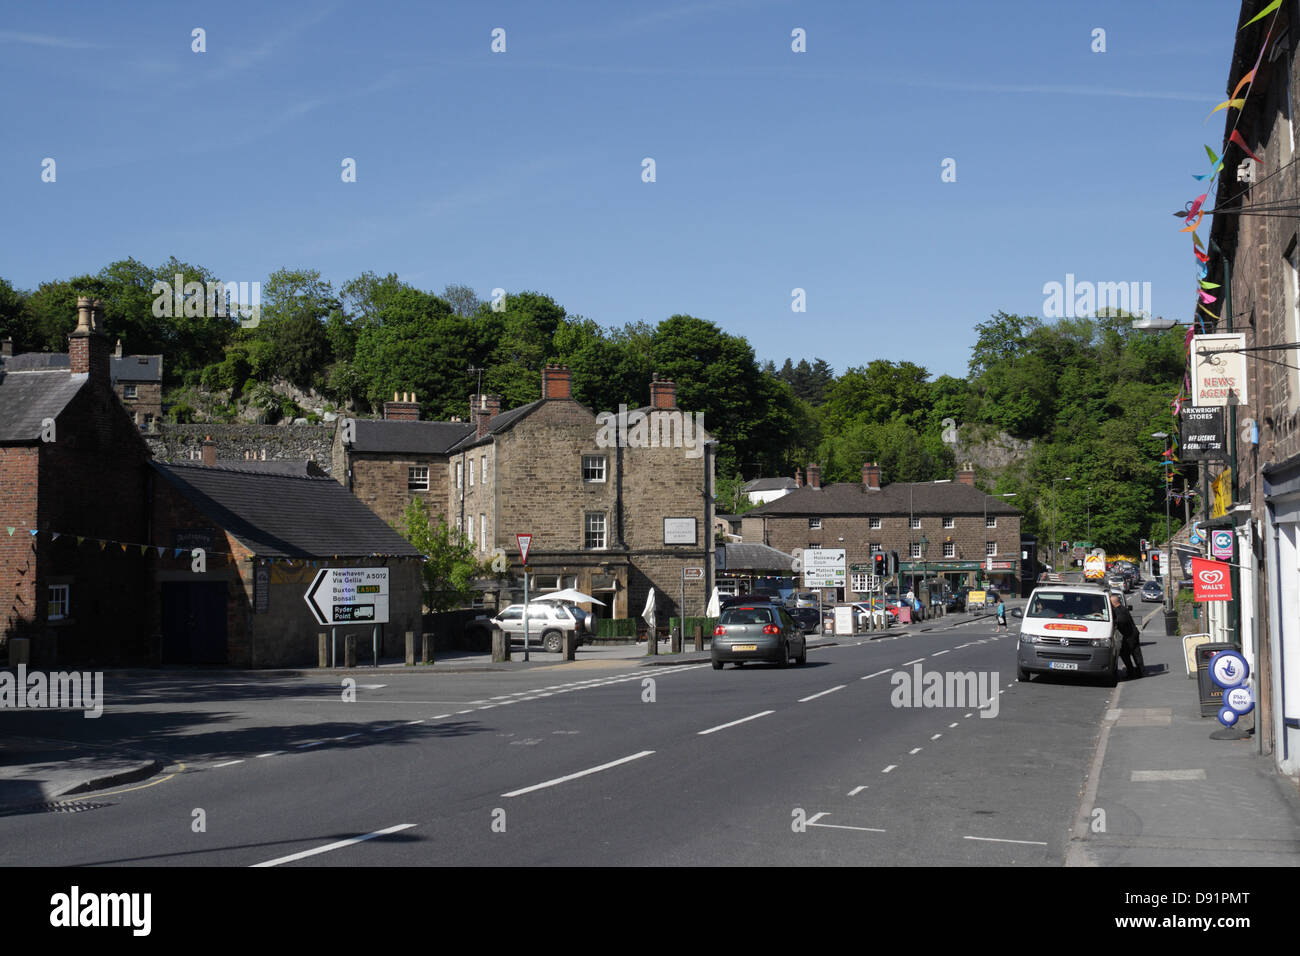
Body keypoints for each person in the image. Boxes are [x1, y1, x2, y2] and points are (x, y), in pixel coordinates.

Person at [1110, 592, 1144, 679]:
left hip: (1130, 636)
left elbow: (1121, 621)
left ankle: (1132, 672)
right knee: (1135, 653)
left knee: (1127, 653)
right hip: (1132, 634)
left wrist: (1115, 623)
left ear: (1113, 602)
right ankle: (1139, 671)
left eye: (1110, 602)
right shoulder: (1122, 609)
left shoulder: (1119, 611)